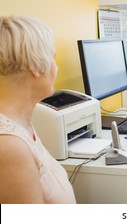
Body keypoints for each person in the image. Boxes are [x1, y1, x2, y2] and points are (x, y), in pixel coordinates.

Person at [0, 16, 76, 203]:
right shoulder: (11, 148)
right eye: (53, 57)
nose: (56, 67)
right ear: (35, 66)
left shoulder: (21, 123)